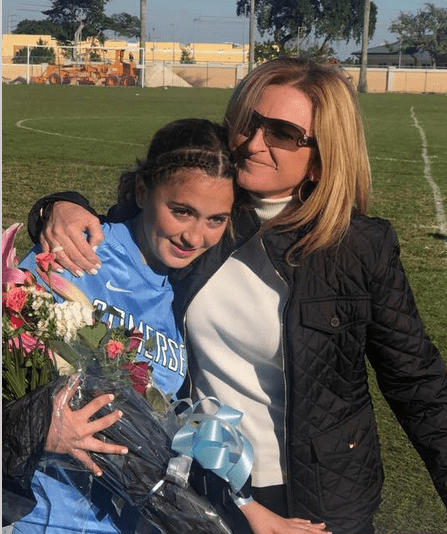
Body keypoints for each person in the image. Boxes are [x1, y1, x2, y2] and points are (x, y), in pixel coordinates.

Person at [23, 57, 447, 534]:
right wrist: (57, 207)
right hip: (207, 488)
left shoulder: (359, 246)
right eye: (249, 122)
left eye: (283, 133)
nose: (253, 142)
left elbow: (419, 383)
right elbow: (127, 221)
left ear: (322, 156)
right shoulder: (210, 217)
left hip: (321, 498)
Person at [5, 117, 237, 534]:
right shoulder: (75, 253)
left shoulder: (189, 291)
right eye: (181, 211)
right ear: (144, 191)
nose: (194, 237)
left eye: (215, 220)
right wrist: (40, 428)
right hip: (39, 519)